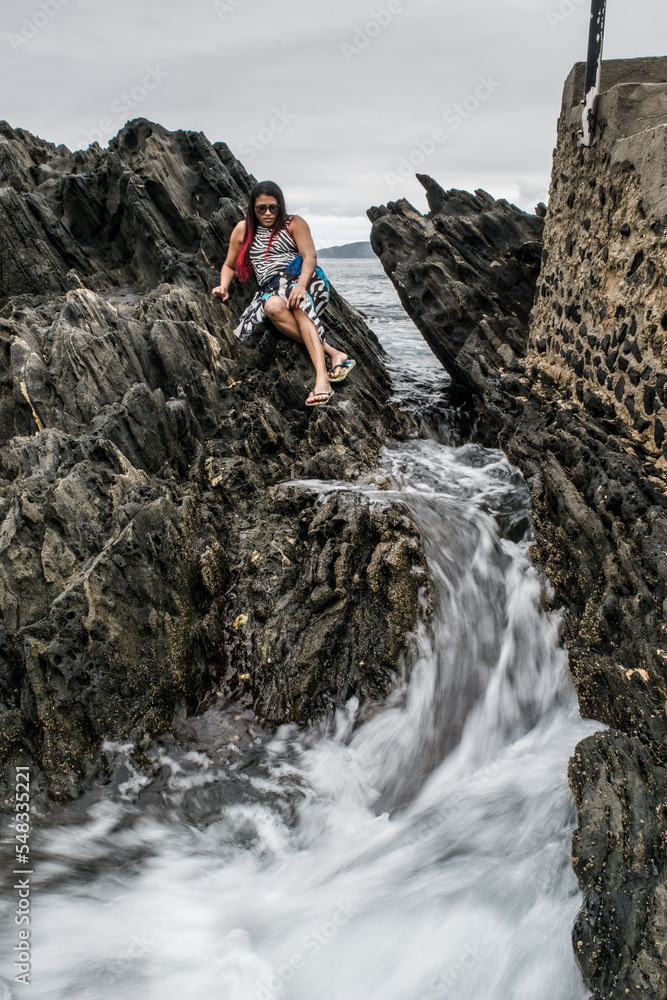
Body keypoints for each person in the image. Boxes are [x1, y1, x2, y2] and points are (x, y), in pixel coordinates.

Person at [212, 181, 355, 406]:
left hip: (304, 281)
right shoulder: (242, 230)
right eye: (261, 208)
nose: (268, 213)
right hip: (270, 289)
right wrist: (223, 287)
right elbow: (229, 265)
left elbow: (310, 257)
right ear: (252, 208)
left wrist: (300, 286)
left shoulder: (294, 223)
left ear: (280, 206)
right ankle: (334, 353)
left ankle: (322, 379)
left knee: (295, 301)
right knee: (271, 307)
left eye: (273, 207)